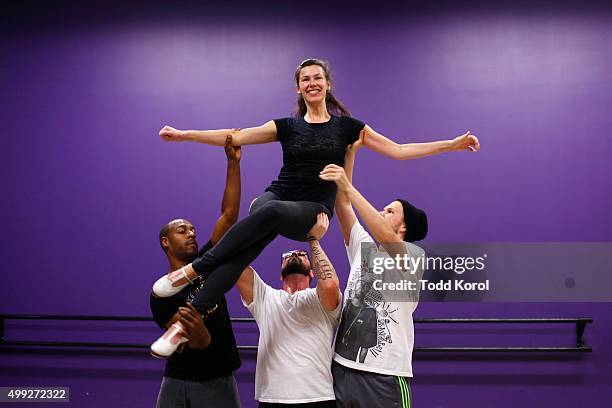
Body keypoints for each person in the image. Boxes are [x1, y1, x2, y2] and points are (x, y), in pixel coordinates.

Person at [152, 58, 479, 356]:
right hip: (279, 194)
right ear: (298, 87)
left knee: (266, 212)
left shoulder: (348, 127)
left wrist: (450, 144)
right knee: (250, 233)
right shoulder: (287, 126)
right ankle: (185, 323)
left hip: (312, 210)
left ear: (327, 84)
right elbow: (235, 136)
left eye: (317, 77)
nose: (312, 83)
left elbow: (399, 150)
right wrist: (185, 135)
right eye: (305, 78)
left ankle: (195, 269)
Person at [319, 135, 426, 408]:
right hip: (342, 368)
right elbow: (342, 205)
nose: (381, 212)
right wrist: (350, 154)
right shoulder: (364, 248)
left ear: (403, 227)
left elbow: (385, 236)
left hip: (385, 375)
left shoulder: (413, 255)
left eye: (389, 211)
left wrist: (349, 187)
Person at [149, 136, 242, 407]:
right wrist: (196, 333)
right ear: (166, 242)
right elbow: (195, 344)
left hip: (218, 379)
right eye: (182, 230)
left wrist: (233, 162)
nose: (191, 233)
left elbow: (228, 215)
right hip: (178, 380)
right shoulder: (160, 294)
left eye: (193, 230)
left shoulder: (207, 262)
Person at [236, 213, 341, 408]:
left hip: (318, 397)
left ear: (312, 272)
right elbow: (236, 266)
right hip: (273, 399)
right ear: (280, 272)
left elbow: (329, 285)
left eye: (302, 255)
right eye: (287, 256)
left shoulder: (320, 299)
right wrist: (263, 225)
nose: (294, 255)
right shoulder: (265, 297)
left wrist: (313, 239)